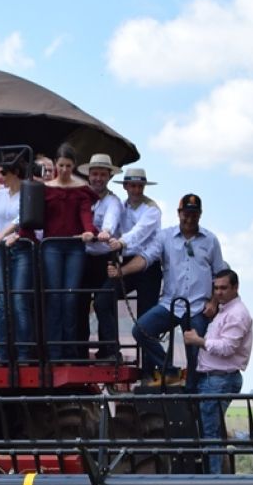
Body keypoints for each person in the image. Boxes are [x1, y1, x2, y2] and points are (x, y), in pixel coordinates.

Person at [133, 193, 227, 382]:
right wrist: (122, 270)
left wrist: (214, 302)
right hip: (171, 303)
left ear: (200, 214)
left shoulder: (210, 240)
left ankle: (192, 393)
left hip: (199, 306)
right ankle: (168, 369)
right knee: (141, 330)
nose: (189, 218)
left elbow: (220, 274)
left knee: (195, 353)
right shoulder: (166, 236)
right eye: (186, 213)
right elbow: (147, 256)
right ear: (179, 213)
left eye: (194, 214)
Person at [182, 269, 252, 473]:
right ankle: (215, 476)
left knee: (210, 432)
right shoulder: (226, 311)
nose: (219, 292)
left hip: (219, 378)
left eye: (223, 288)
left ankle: (213, 478)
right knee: (211, 430)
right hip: (217, 377)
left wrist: (198, 341)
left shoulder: (236, 314)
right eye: (216, 288)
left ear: (235, 287)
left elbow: (227, 348)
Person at [39, 143, 96, 360]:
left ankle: (70, 351)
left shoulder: (81, 189)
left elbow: (85, 214)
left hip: (74, 247)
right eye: (61, 165)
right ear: (55, 164)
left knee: (70, 297)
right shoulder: (46, 188)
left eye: (68, 166)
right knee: (54, 296)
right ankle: (54, 351)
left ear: (73, 166)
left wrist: (89, 231)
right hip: (51, 246)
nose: (64, 170)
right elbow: (36, 216)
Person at [0, 156, 38, 362]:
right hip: (0, 250)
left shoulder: (28, 192)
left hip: (20, 248)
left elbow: (19, 219)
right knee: (2, 300)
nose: (0, 176)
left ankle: (24, 353)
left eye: (3, 172)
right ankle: (0, 354)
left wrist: (2, 234)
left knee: (19, 300)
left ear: (14, 172)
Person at [79, 153, 125, 360]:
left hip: (106, 258)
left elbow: (111, 221)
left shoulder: (113, 202)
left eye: (102, 174)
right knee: (78, 302)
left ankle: (110, 350)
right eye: (95, 174)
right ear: (89, 175)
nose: (98, 178)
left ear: (109, 177)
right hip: (83, 257)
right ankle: (79, 349)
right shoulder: (81, 198)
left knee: (103, 302)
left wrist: (104, 232)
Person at [108, 167, 163, 322]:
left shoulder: (152, 209)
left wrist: (120, 242)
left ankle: (146, 345)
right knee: (103, 299)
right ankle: (110, 345)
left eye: (140, 186)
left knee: (146, 317)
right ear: (125, 186)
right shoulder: (120, 207)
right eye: (133, 186)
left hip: (149, 267)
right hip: (126, 260)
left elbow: (140, 232)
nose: (137, 190)